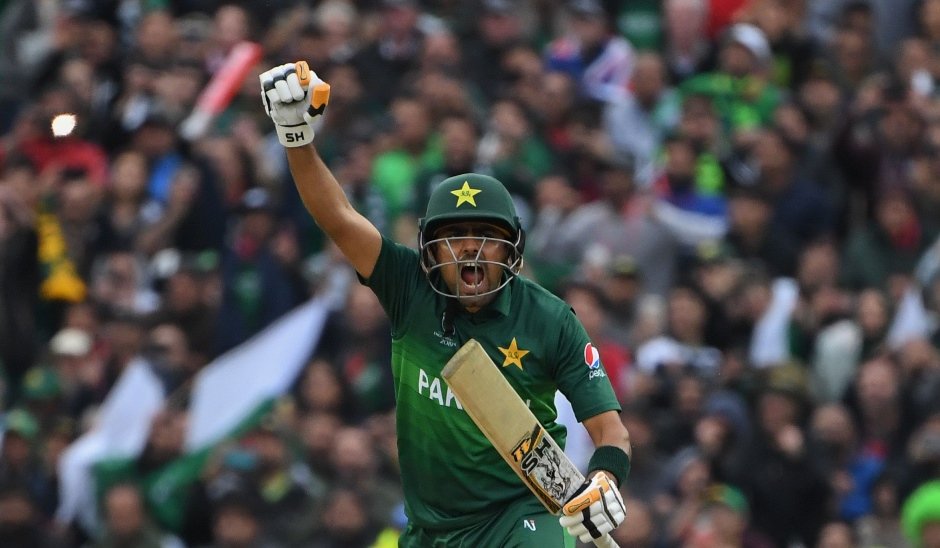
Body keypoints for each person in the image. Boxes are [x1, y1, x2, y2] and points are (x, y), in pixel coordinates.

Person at [258, 60, 631, 546]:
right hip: (430, 529)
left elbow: (611, 431)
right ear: (429, 252)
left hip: (524, 514)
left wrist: (603, 480)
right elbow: (338, 217)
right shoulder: (407, 287)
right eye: (453, 238)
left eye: (485, 238)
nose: (470, 250)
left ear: (513, 249)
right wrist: (297, 139)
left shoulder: (550, 318)